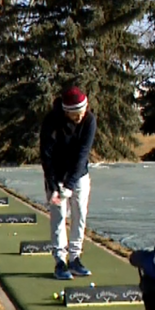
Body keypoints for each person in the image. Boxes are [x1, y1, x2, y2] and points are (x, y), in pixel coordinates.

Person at [39, 86, 97, 280]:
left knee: (79, 215)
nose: (79, 117)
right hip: (56, 173)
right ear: (66, 112)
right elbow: (46, 156)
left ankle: (75, 258)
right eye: (75, 114)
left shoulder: (89, 121)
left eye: (82, 112)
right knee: (58, 216)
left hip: (79, 175)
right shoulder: (51, 121)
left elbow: (82, 156)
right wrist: (55, 186)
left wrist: (70, 185)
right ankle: (60, 262)